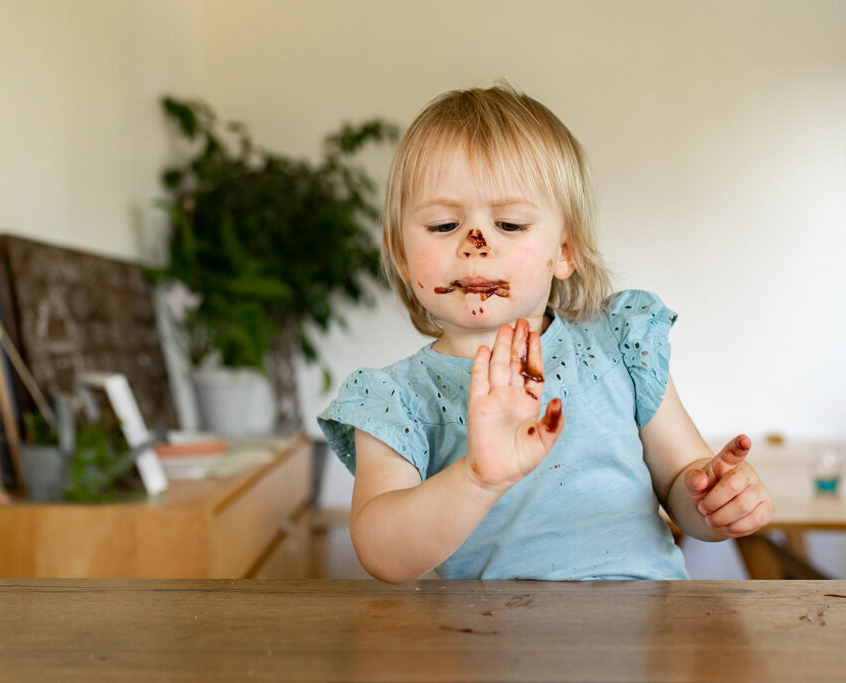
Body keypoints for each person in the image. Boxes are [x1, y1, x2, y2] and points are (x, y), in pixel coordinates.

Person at [317, 84, 774, 582]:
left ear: (565, 250)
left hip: (642, 642)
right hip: (485, 645)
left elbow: (683, 486)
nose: (476, 244)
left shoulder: (620, 346)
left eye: (509, 224)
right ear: (400, 254)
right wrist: (477, 477)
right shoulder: (393, 400)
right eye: (444, 224)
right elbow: (383, 555)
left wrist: (714, 500)